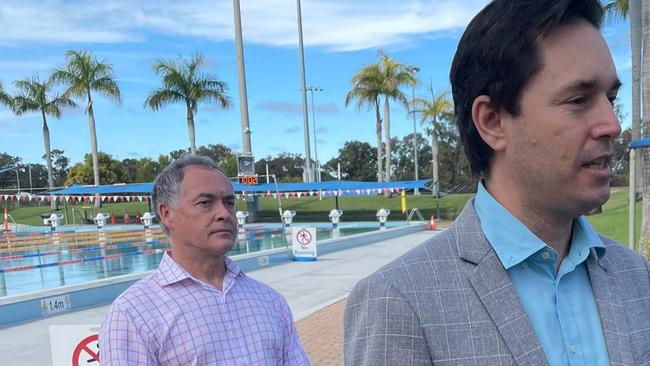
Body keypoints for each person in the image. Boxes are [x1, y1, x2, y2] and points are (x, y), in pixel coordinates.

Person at [344, 0, 650, 365]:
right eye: (578, 99)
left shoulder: (635, 275)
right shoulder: (399, 300)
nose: (612, 124)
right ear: (491, 121)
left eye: (611, 98)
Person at [100, 155, 310, 365]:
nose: (224, 213)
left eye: (229, 203)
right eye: (205, 203)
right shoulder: (134, 315)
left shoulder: (270, 301)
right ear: (166, 214)